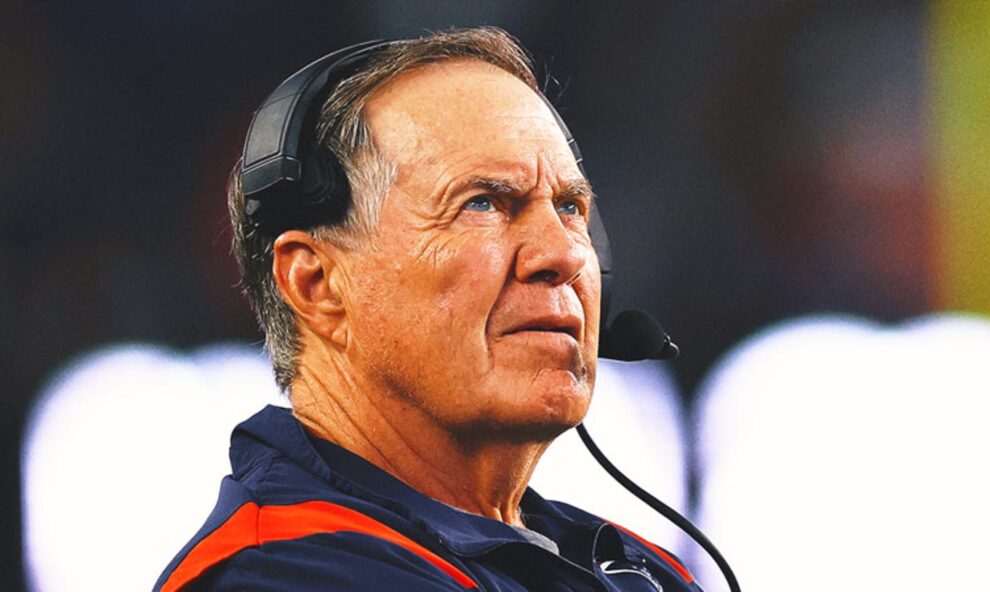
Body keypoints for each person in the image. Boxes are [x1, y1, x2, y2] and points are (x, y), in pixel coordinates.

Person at [155, 27, 701, 591]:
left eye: (569, 208)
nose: (562, 255)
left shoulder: (638, 566)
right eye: (483, 204)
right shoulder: (282, 573)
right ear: (317, 285)